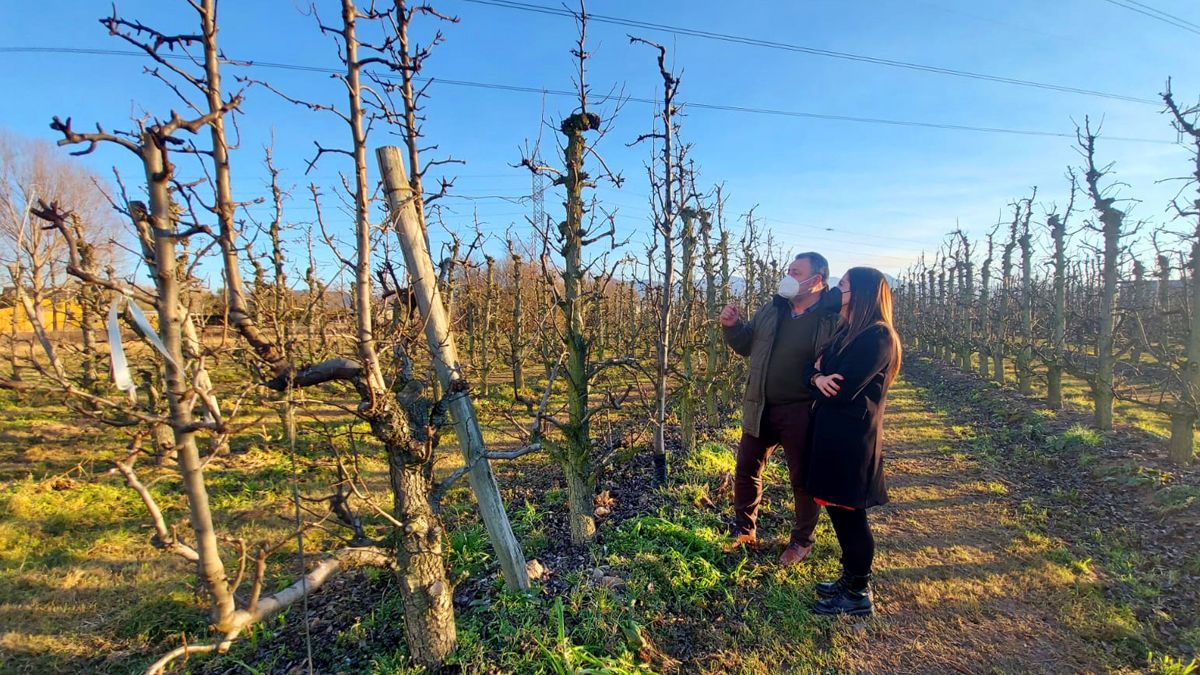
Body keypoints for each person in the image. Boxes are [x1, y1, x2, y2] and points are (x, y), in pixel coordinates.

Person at [718, 252, 841, 565]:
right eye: (788, 270)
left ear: (817, 281)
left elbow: (841, 359)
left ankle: (802, 541)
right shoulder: (774, 308)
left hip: (803, 409)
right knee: (747, 466)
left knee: (801, 478)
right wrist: (733, 327)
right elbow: (747, 345)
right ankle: (744, 530)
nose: (788, 276)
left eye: (796, 272)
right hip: (761, 402)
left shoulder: (832, 318)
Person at [804, 267, 902, 616]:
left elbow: (841, 390)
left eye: (842, 286)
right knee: (839, 513)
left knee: (851, 517)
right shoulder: (848, 332)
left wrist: (820, 378)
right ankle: (849, 578)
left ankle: (859, 592)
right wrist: (817, 377)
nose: (835, 291)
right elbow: (811, 371)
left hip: (852, 443)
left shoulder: (878, 337)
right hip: (832, 437)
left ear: (859, 293)